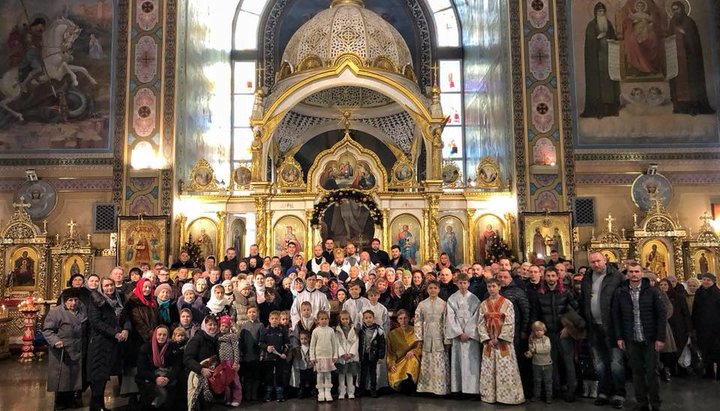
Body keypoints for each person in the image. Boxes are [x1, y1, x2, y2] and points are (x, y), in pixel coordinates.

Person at [611, 262, 667, 411]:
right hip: (631, 338)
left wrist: (660, 338)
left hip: (650, 338)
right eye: (631, 272)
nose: (634, 274)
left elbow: (661, 315)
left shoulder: (652, 291)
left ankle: (655, 403)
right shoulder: (621, 292)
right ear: (627, 274)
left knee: (652, 372)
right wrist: (620, 337)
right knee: (637, 372)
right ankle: (641, 402)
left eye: (637, 271)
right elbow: (617, 316)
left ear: (642, 273)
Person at [581, 252, 626, 408]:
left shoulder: (617, 277)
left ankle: (618, 394)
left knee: (616, 363)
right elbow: (584, 301)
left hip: (613, 327)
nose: (596, 264)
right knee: (599, 363)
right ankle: (603, 392)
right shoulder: (587, 278)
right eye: (592, 262)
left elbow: (623, 301)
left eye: (598, 261)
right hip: (594, 326)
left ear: (605, 260)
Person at [478, 278, 525, 405]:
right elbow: (480, 323)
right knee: (490, 369)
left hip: (502, 343)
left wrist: (500, 338)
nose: (491, 289)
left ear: (499, 287)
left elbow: (510, 322)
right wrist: (487, 338)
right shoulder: (483, 304)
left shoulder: (507, 303)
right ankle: (490, 395)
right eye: (489, 287)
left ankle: (507, 396)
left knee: (505, 368)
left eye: (493, 286)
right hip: (489, 343)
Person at [535, 267, 579, 402]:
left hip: (564, 332)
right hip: (548, 334)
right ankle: (555, 390)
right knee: (551, 363)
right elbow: (537, 313)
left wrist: (568, 327)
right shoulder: (540, 293)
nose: (550, 278)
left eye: (553, 275)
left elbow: (576, 310)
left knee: (568, 362)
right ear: (544, 277)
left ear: (557, 277)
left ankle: (571, 390)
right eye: (548, 276)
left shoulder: (566, 292)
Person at [87, 277, 130, 411]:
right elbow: (96, 322)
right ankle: (96, 406)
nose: (109, 288)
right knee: (98, 376)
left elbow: (126, 317)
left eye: (111, 285)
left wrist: (126, 330)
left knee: (106, 375)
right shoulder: (96, 301)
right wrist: (115, 333)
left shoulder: (120, 299)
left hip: (116, 344)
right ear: (101, 287)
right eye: (106, 286)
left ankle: (100, 406)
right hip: (100, 343)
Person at [668, 1, 715, 115]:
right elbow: (669, 37)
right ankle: (680, 106)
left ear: (683, 9)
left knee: (691, 82)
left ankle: (692, 107)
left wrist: (683, 33)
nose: (675, 12)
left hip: (689, 59)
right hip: (677, 58)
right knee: (677, 83)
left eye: (677, 9)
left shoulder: (689, 22)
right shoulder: (672, 22)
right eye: (673, 10)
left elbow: (694, 42)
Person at [44, 288, 87, 410]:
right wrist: (55, 341)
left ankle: (72, 399)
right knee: (62, 376)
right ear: (64, 301)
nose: (73, 303)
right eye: (70, 300)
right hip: (62, 348)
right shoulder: (56, 312)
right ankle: (60, 401)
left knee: (74, 376)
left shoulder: (82, 312)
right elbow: (47, 330)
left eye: (75, 300)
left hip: (77, 348)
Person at [581, 2, 620, 118]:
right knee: (599, 86)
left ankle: (611, 109)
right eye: (599, 11)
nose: (601, 13)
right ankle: (598, 110)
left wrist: (612, 39)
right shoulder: (591, 25)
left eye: (603, 11)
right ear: (595, 13)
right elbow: (589, 43)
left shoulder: (608, 24)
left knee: (609, 84)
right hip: (597, 61)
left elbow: (614, 37)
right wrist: (597, 38)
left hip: (608, 60)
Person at [445, 272, 481, 397]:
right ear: (456, 284)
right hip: (458, 336)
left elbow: (477, 317)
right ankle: (458, 389)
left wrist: (469, 332)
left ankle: (472, 390)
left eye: (465, 283)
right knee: (458, 361)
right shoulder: (452, 298)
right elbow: (450, 317)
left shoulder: (474, 299)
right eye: (460, 283)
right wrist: (458, 332)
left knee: (471, 362)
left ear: (469, 283)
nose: (463, 285)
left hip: (470, 337)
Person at [414, 281, 450, 396]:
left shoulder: (444, 304)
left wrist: (447, 339)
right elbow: (418, 321)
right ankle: (427, 388)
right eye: (430, 288)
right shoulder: (422, 304)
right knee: (427, 362)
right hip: (427, 335)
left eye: (435, 288)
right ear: (427, 290)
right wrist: (419, 338)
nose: (433, 290)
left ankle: (440, 389)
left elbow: (447, 322)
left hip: (440, 336)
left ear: (439, 290)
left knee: (440, 362)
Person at [136, 325, 182, 410]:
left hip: (168, 375)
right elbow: (141, 370)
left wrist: (168, 378)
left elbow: (177, 366)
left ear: (168, 336)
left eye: (164, 335)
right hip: (150, 376)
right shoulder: (145, 348)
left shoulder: (173, 347)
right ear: (155, 335)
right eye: (159, 334)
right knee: (159, 394)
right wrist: (156, 378)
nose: (162, 337)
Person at [184, 316, 219, 410]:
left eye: (215, 324)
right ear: (204, 325)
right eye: (210, 324)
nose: (213, 327)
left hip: (210, 376)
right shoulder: (197, 339)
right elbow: (187, 359)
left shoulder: (216, 339)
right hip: (197, 376)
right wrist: (201, 369)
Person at [691, 273, 720, 379]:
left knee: (717, 351)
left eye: (708, 280)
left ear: (713, 281)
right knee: (705, 351)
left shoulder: (717, 293)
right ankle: (709, 372)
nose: (706, 282)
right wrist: (694, 325)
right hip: (702, 328)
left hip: (716, 329)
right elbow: (695, 310)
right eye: (704, 279)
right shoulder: (699, 293)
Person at [386, 309, 421, 393]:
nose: (403, 320)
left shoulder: (416, 331)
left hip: (412, 358)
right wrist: (392, 363)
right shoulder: (392, 334)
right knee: (395, 374)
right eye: (401, 318)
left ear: (409, 319)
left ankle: (411, 383)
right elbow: (390, 352)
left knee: (412, 360)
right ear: (397, 320)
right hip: (399, 361)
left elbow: (420, 347)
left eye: (405, 318)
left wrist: (414, 351)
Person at [309, 310, 338, 402]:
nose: (324, 320)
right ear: (318, 320)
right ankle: (321, 392)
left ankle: (328, 392)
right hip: (319, 357)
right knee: (320, 375)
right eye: (322, 319)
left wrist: (335, 355)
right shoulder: (315, 331)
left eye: (326, 319)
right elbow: (312, 345)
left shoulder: (331, 330)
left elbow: (334, 344)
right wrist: (312, 357)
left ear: (328, 320)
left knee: (328, 375)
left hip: (329, 357)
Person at [358, 310, 386, 398]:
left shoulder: (378, 330)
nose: (368, 319)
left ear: (373, 319)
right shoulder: (361, 330)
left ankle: (373, 390)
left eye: (370, 317)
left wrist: (381, 356)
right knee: (363, 373)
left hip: (373, 355)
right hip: (364, 355)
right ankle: (361, 390)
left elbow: (382, 344)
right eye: (366, 318)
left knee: (373, 373)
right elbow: (359, 343)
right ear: (363, 319)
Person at [239, 306, 264, 401]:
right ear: (247, 314)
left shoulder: (260, 325)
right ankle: (247, 393)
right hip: (246, 355)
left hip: (256, 355)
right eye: (249, 312)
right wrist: (241, 353)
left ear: (257, 313)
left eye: (254, 312)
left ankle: (254, 393)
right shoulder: (244, 325)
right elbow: (241, 340)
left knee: (256, 376)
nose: (252, 314)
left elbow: (262, 340)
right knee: (247, 376)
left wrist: (261, 354)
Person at [216, 316, 241, 407]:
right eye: (222, 326)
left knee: (234, 381)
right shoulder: (218, 337)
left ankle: (236, 399)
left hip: (230, 362)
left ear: (229, 328)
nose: (224, 328)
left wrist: (236, 362)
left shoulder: (232, 336)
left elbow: (236, 349)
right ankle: (228, 399)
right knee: (225, 382)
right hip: (222, 363)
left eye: (226, 326)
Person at [335, 310, 360, 399]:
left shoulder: (354, 329)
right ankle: (342, 392)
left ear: (349, 319)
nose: (345, 321)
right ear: (340, 320)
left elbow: (356, 341)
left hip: (350, 356)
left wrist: (351, 353)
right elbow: (337, 342)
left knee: (349, 375)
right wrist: (342, 354)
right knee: (341, 375)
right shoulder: (337, 330)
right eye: (343, 319)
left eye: (347, 319)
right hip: (342, 357)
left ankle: (350, 391)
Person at [526, 321, 553, 404]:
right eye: (536, 330)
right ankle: (536, 396)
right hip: (536, 364)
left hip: (547, 364)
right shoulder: (532, 340)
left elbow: (547, 349)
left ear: (544, 330)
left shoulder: (546, 339)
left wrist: (535, 350)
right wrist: (529, 354)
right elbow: (531, 350)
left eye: (540, 330)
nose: (538, 332)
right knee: (537, 381)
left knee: (548, 381)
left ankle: (549, 397)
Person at [288, 329, 314, 398]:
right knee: (302, 379)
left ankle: (312, 390)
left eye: (305, 338)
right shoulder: (298, 348)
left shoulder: (311, 347)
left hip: (310, 366)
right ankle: (301, 391)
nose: (303, 340)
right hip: (301, 366)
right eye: (301, 339)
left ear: (309, 338)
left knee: (311, 378)